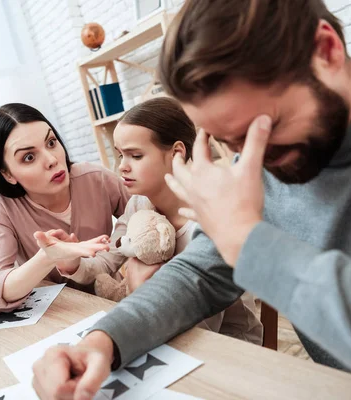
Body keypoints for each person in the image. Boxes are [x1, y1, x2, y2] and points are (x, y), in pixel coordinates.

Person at [31, 0, 351, 398]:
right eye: (229, 142)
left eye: (264, 128)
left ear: (325, 51)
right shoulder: (265, 151)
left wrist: (249, 243)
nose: (252, 161)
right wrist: (102, 341)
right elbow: (201, 272)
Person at [35, 97, 262, 344]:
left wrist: (138, 289)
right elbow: (107, 261)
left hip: (228, 343)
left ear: (176, 152)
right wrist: (73, 264)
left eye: (135, 156)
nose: (122, 167)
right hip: (171, 331)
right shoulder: (138, 205)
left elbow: (204, 322)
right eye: (120, 155)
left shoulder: (206, 218)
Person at [0, 103, 130, 313]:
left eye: (51, 143)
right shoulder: (0, 206)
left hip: (113, 303)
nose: (52, 160)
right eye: (29, 157)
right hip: (56, 316)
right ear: (7, 174)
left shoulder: (96, 179)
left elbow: (148, 213)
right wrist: (48, 257)